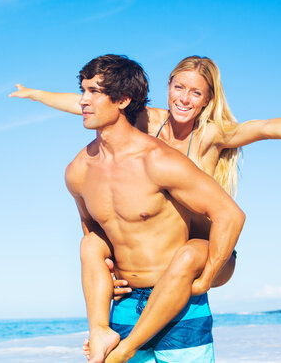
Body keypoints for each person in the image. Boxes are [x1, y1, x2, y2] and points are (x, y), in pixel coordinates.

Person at [10, 55, 281, 293]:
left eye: (195, 93)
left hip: (206, 252)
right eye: (179, 88)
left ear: (207, 99)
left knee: (186, 257)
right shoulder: (146, 120)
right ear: (168, 87)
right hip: (161, 253)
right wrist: (37, 94)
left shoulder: (214, 135)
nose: (184, 99)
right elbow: (89, 102)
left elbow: (268, 126)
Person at [65, 54, 246, 362]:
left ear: (123, 100)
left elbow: (230, 214)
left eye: (94, 92)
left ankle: (125, 347)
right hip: (125, 305)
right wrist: (108, 275)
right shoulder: (78, 171)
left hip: (180, 305)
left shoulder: (158, 160)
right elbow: (94, 230)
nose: (83, 101)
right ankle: (99, 331)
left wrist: (205, 279)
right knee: (90, 243)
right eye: (83, 90)